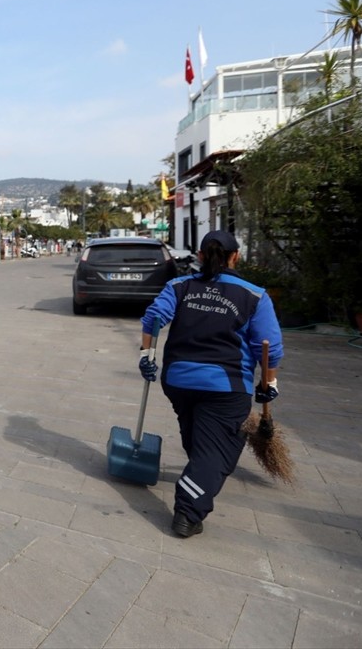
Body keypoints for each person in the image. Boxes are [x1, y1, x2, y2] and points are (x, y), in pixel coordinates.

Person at [139, 230, 283, 538]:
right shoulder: (254, 295)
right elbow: (269, 346)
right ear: (236, 256)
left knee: (198, 437)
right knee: (221, 448)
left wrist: (145, 354)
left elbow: (154, 317)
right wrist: (270, 383)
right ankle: (188, 511)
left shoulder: (180, 286)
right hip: (226, 387)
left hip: (178, 379)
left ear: (201, 256)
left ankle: (198, 476)